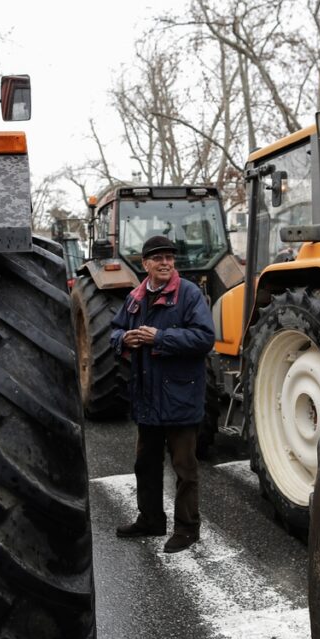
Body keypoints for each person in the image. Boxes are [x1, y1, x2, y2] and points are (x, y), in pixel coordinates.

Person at [110, 235, 215, 553]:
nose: (166, 263)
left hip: (180, 398)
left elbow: (204, 337)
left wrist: (161, 337)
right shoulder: (135, 298)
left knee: (184, 468)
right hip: (147, 399)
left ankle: (187, 529)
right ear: (146, 265)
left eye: (170, 257)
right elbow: (115, 329)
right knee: (146, 464)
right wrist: (124, 339)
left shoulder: (189, 295)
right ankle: (151, 519)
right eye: (158, 258)